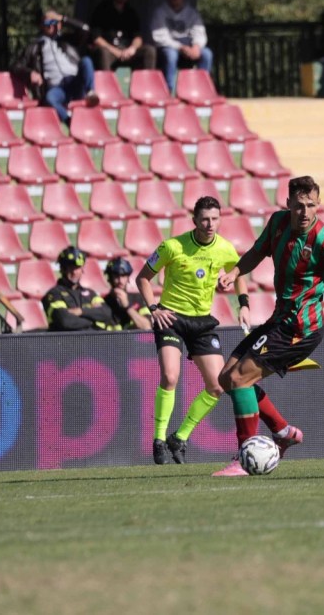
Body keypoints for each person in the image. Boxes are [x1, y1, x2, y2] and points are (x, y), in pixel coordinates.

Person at [216, 176, 324, 476]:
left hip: (301, 330)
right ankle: (283, 433)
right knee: (226, 379)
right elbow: (258, 252)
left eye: (311, 205)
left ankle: (244, 458)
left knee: (240, 379)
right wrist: (234, 272)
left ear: (318, 204)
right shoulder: (277, 223)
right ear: (288, 204)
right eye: (299, 206)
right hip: (279, 320)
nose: (305, 212)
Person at [137, 196, 302, 472]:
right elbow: (143, 277)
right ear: (194, 220)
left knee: (218, 385)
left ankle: (179, 438)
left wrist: (244, 304)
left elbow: (238, 274)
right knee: (170, 376)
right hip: (171, 318)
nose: (210, 224)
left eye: (214, 218)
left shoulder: (225, 248)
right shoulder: (172, 246)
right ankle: (158, 440)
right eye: (204, 219)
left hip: (202, 323)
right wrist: (153, 308)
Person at [12, 9, 98, 124]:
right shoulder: (34, 46)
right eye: (47, 24)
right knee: (50, 99)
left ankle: (91, 93)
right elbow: (16, 66)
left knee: (86, 61)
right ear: (42, 26)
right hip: (57, 87)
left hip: (74, 82)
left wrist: (62, 18)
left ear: (59, 25)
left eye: (54, 23)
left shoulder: (67, 41)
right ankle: (71, 122)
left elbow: (85, 30)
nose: (51, 26)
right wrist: (30, 73)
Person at [150, 0, 212, 93]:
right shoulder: (160, 12)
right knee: (171, 55)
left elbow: (199, 32)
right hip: (170, 48)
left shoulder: (192, 13)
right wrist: (180, 47)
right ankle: (169, 91)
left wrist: (196, 46)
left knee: (207, 54)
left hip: (189, 47)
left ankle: (202, 90)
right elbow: (159, 36)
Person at [89, 0, 157, 72]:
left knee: (149, 51)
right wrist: (114, 51)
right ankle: (107, 84)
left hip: (127, 51)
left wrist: (132, 49)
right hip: (109, 50)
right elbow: (96, 38)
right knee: (102, 52)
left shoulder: (131, 12)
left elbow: (138, 37)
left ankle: (145, 84)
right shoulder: (102, 9)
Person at [42, 246, 116, 332]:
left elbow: (107, 314)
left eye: (77, 267)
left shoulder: (90, 293)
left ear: (82, 269)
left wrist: (81, 311)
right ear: (62, 269)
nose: (74, 272)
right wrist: (94, 322)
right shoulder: (53, 294)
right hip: (65, 343)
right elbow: (66, 321)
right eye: (70, 267)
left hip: (91, 343)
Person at [102, 257, 152, 331]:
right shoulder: (103, 303)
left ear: (128, 277)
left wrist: (127, 306)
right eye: (116, 276)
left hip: (135, 341)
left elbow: (147, 327)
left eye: (123, 275)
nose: (120, 280)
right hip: (112, 341)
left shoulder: (138, 299)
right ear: (109, 278)